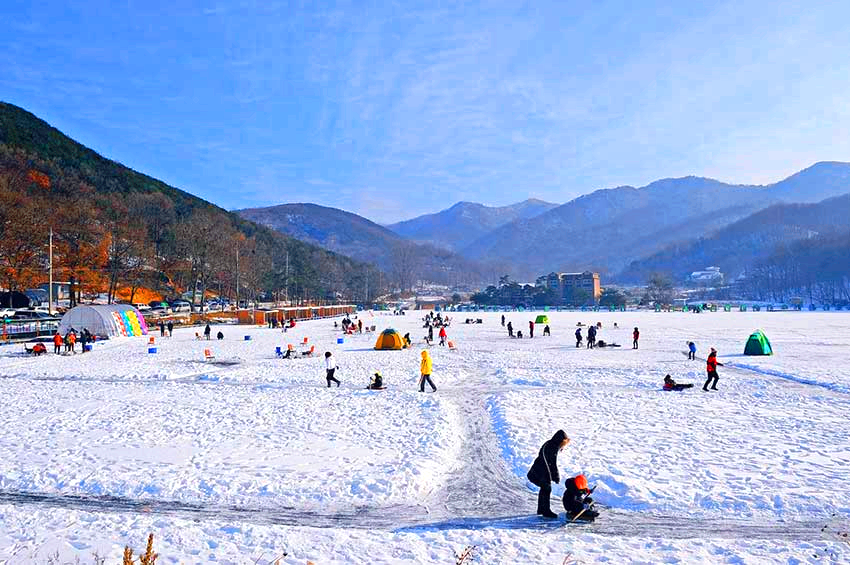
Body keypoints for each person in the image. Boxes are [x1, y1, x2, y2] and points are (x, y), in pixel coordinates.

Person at [526, 429, 570, 519]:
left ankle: (541, 509)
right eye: (564, 442)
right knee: (546, 489)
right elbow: (551, 463)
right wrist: (555, 476)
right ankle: (546, 511)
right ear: (561, 440)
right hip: (540, 471)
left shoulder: (550, 444)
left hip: (540, 470)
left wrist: (553, 475)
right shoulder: (552, 447)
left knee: (544, 489)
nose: (564, 445)